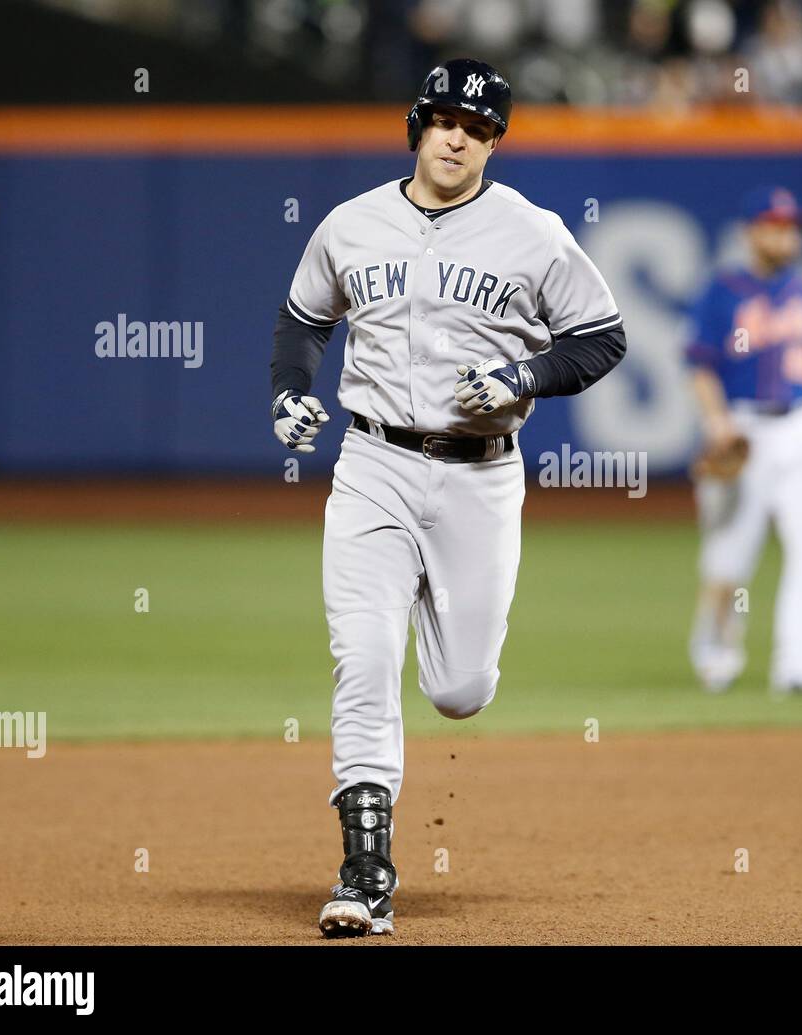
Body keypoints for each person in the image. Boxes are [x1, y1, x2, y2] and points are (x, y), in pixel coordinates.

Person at [268, 58, 626, 936]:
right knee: (362, 655)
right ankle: (365, 868)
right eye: (444, 119)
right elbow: (304, 317)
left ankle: (446, 646)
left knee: (461, 690)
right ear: (417, 126)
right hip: (373, 466)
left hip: (481, 475)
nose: (459, 135)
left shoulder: (533, 233)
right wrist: (287, 388)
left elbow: (601, 337)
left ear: (495, 141)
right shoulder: (352, 224)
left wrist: (522, 374)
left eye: (479, 126)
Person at [685, 186, 802, 696]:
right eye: (774, 225)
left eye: (791, 226)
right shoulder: (722, 291)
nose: (785, 235)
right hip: (744, 428)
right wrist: (717, 422)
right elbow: (699, 366)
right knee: (727, 557)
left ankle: (800, 668)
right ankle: (717, 655)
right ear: (751, 231)